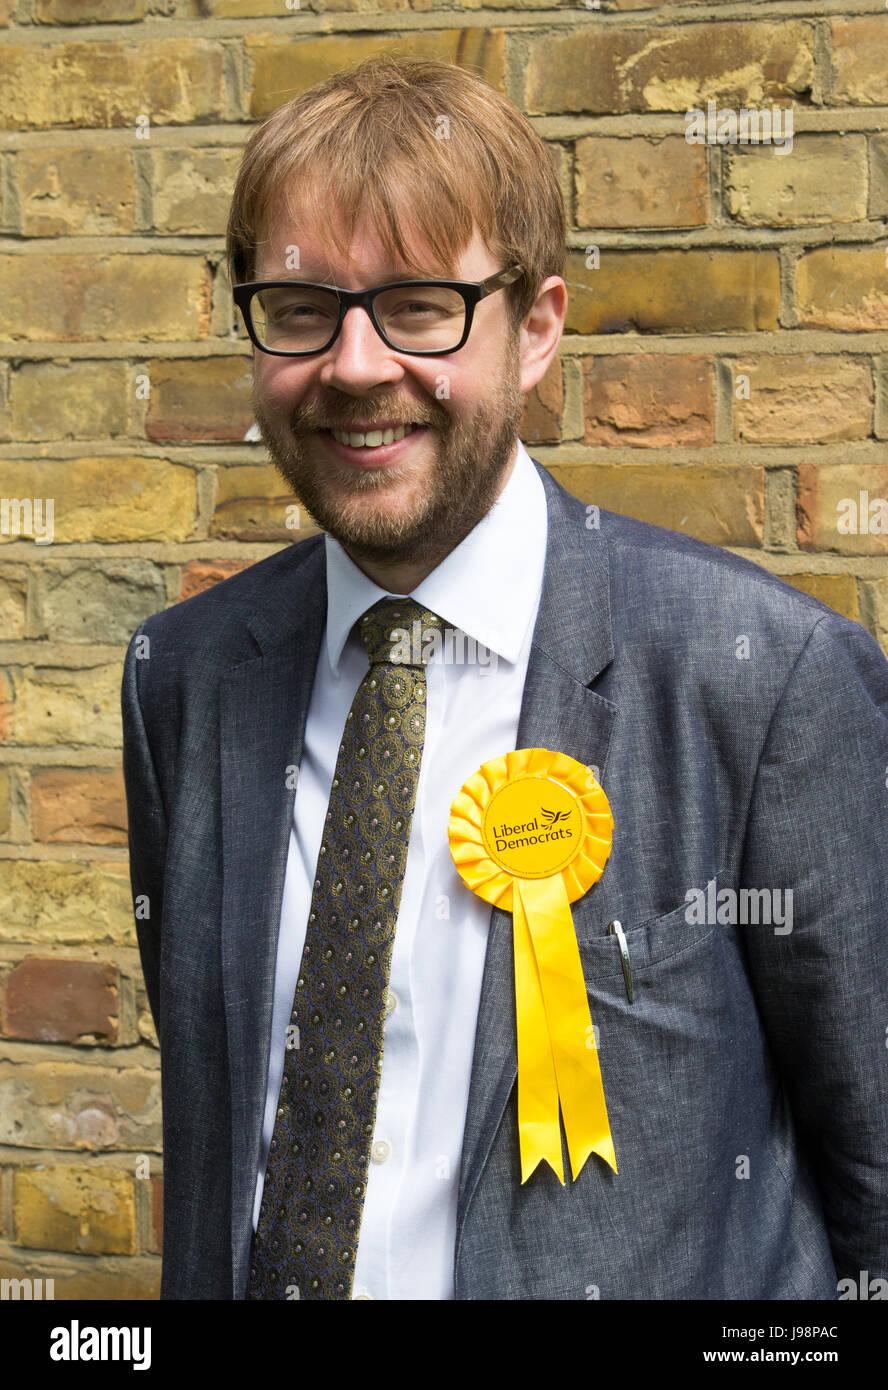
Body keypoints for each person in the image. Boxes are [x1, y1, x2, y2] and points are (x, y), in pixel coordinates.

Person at [122, 55, 888, 1301]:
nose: (357, 365)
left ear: (536, 328)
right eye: (303, 305)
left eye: (420, 304)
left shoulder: (763, 680)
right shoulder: (187, 681)